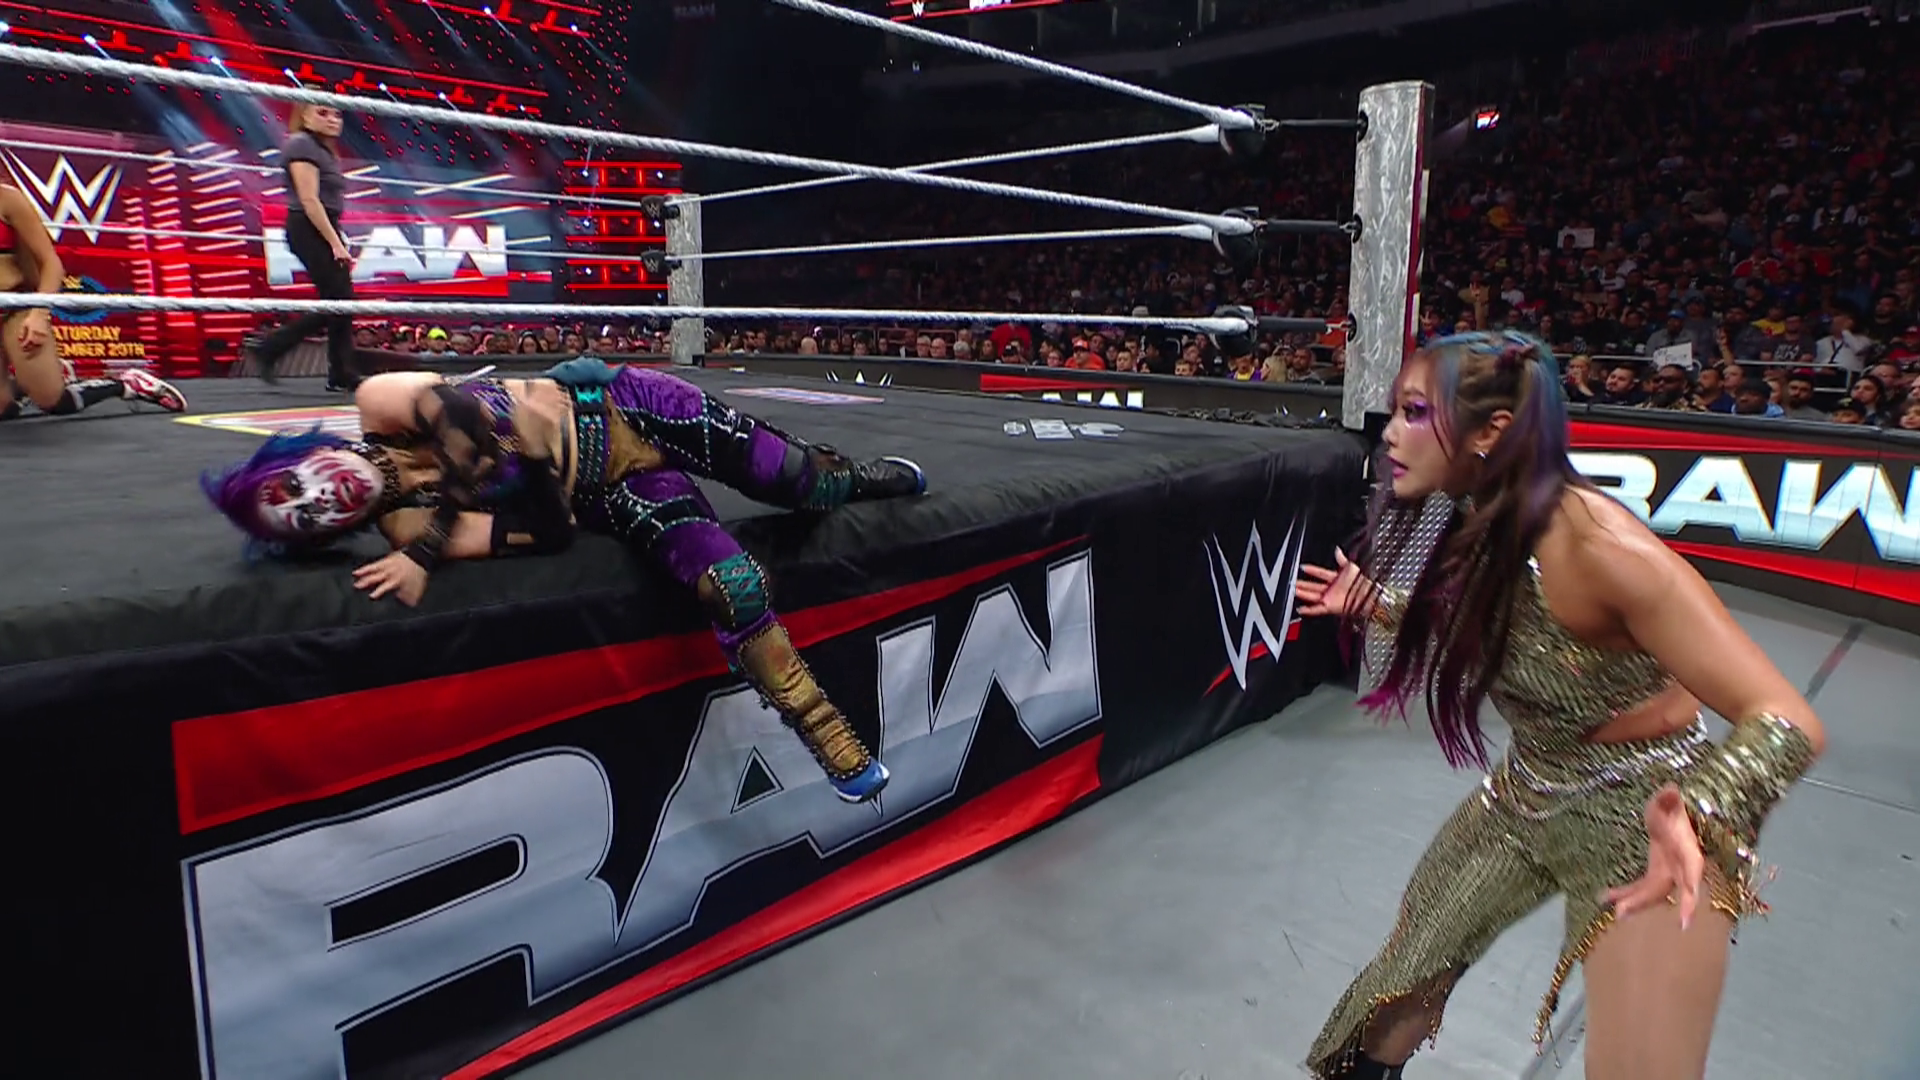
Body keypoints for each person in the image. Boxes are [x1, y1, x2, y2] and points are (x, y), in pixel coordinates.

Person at [1291, 330, 1825, 1080]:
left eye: (1414, 412)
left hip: (1642, 818)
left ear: (1491, 432)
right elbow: (1505, 628)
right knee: (1388, 999)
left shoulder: (1604, 551)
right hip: (1526, 790)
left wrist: (1700, 810)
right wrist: (1383, 605)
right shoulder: (1484, 516)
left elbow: (1786, 719)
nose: (1390, 435)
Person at [201, 358, 926, 803]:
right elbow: (551, 531)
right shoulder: (403, 528)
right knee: (730, 585)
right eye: (305, 517)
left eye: (293, 486)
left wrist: (430, 550)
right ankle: (829, 736)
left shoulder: (376, 405)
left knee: (803, 481)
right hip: (610, 489)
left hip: (628, 403)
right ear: (324, 536)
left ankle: (865, 479)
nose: (319, 497)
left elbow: (463, 422)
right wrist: (536, 459)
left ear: (300, 456)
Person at [0, 182, 185, 420]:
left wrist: (38, 314)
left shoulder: (7, 198)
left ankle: (125, 384)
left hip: (17, 308)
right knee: (2, 410)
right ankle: (28, 383)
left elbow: (52, 264)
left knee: (53, 401)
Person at [249, 103, 359, 390]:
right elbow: (309, 200)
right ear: (305, 116)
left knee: (341, 302)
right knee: (340, 301)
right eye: (322, 112)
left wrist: (337, 237)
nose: (332, 119)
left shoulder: (324, 150)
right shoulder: (301, 144)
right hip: (308, 227)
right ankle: (272, 347)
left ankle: (339, 372)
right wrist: (335, 243)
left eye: (337, 114)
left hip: (323, 225)